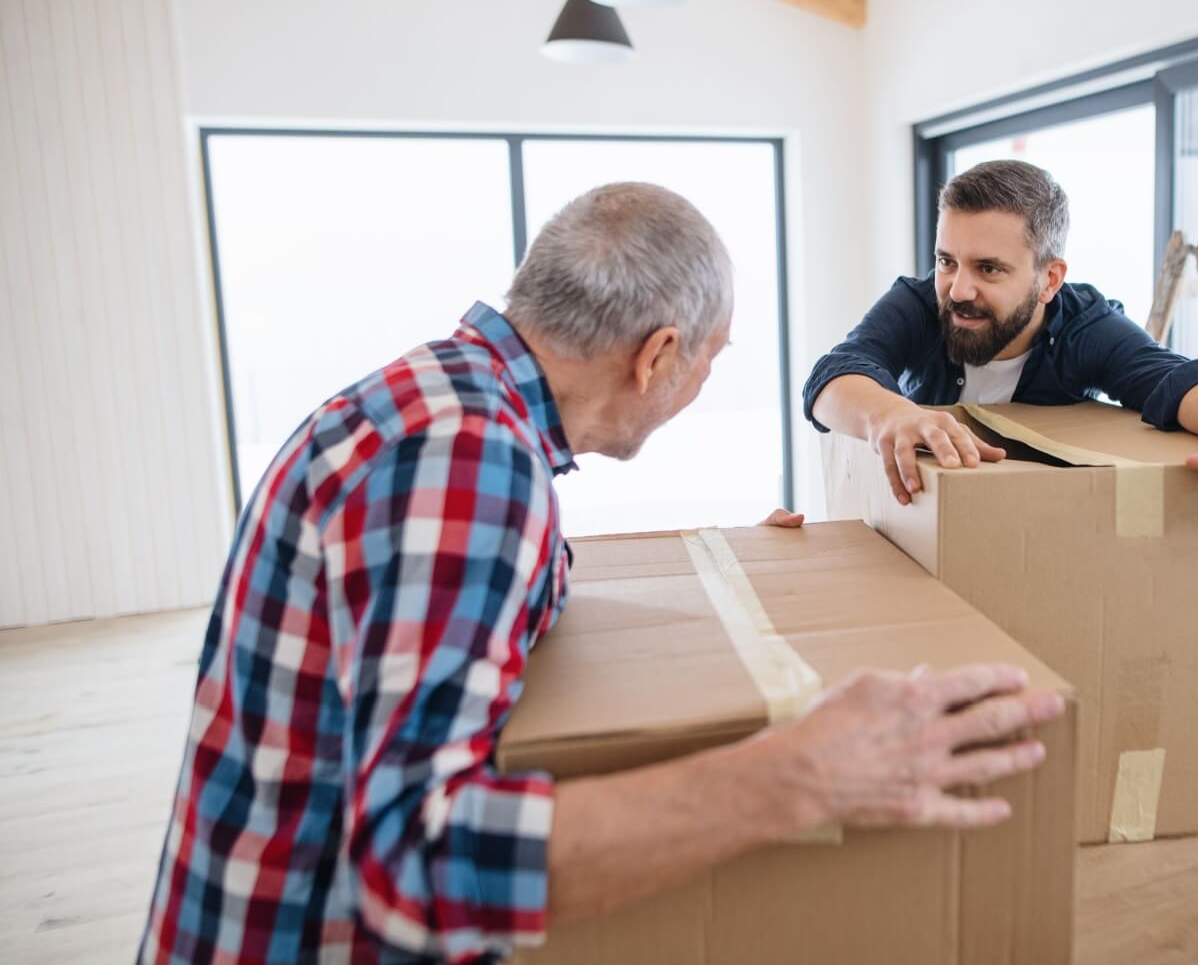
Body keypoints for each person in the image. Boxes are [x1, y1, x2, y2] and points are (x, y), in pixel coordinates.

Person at [139, 182, 1065, 964]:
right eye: (711, 357)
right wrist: (800, 774)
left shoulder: (449, 401)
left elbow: (489, 603)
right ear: (658, 355)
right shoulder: (465, 463)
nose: (701, 381)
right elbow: (416, 868)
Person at [803, 160, 1198, 541]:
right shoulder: (920, 303)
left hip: (1038, 536)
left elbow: (1169, 377)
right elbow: (834, 376)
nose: (958, 289)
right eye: (946, 261)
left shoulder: (1084, 327)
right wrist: (889, 414)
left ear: (1049, 280)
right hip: (925, 529)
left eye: (988, 268)